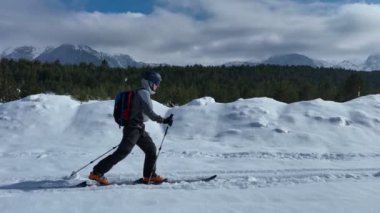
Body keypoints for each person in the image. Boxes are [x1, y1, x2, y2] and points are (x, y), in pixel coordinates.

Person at [89, 71, 173, 185]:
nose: (157, 86)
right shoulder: (144, 93)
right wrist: (164, 120)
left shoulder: (142, 92)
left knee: (151, 149)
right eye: (156, 83)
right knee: (122, 152)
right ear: (150, 83)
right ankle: (97, 172)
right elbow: (150, 113)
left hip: (139, 129)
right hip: (133, 129)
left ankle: (150, 175)